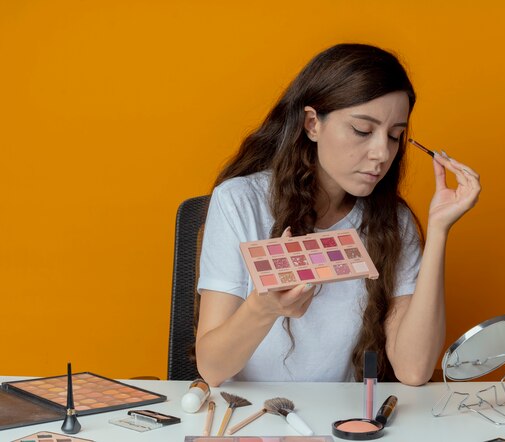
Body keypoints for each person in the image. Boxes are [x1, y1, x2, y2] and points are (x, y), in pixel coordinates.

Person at [195, 43, 481, 387]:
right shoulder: (240, 202)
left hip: (344, 421)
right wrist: (265, 307)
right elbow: (211, 369)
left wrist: (438, 231)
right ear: (313, 124)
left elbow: (414, 369)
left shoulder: (392, 220)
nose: (381, 153)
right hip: (249, 417)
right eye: (363, 130)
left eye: (395, 136)